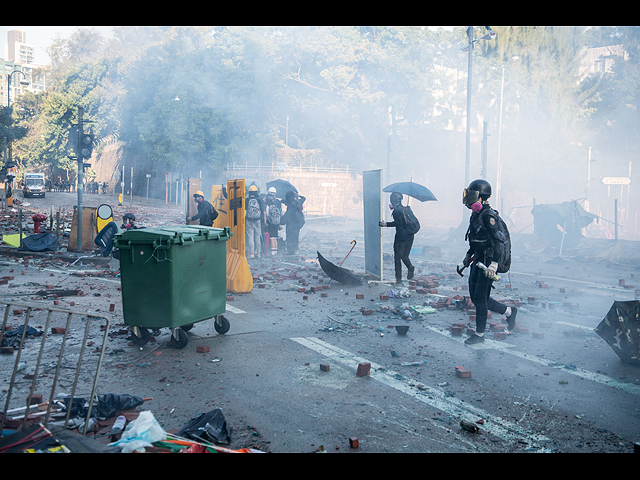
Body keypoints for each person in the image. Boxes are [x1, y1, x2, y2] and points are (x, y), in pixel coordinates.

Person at [461, 179, 517, 345]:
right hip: (478, 258)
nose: (469, 198)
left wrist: (494, 264)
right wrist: (468, 255)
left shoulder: (488, 215)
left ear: (481, 197)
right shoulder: (475, 215)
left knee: (480, 299)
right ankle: (509, 312)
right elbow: (474, 239)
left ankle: (480, 335)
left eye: (472, 195)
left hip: (488, 260)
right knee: (477, 297)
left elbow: (498, 241)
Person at [378, 192, 415, 285]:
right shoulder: (407, 209)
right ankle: (410, 266)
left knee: (397, 258)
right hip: (410, 236)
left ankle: (398, 279)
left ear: (393, 201)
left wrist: (386, 224)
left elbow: (398, 223)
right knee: (405, 256)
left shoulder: (396, 211)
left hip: (401, 237)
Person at [282, 190, 305, 255]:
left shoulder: (290, 206)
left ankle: (290, 251)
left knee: (290, 237)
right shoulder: (298, 202)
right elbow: (303, 198)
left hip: (291, 224)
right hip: (297, 223)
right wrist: (298, 196)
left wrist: (280, 221)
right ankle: (295, 250)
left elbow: (287, 215)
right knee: (296, 237)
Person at [245, 185, 265, 258]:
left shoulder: (247, 200)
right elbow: (262, 211)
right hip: (257, 221)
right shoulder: (259, 200)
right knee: (257, 237)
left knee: (250, 237)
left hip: (249, 220)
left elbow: (244, 211)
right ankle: (258, 253)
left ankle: (252, 254)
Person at [264, 187, 282, 256]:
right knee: (275, 238)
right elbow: (280, 212)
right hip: (276, 222)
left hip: (270, 222)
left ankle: (272, 252)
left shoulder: (267, 201)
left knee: (271, 238)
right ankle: (275, 252)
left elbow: (267, 214)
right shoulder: (277, 202)